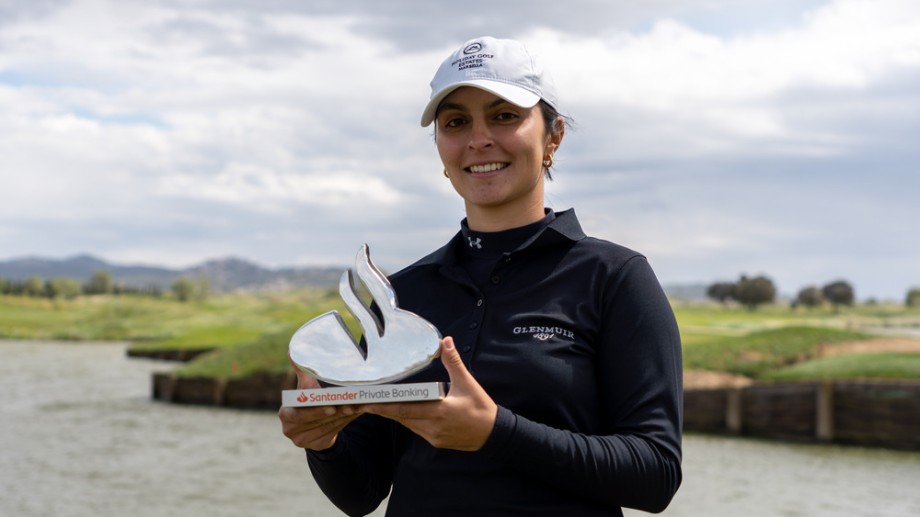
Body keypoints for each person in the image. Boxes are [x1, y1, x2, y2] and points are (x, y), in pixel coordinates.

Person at [279, 36, 683, 516]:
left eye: (504, 116)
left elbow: (655, 474)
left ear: (553, 137)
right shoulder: (400, 294)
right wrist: (323, 441)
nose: (478, 139)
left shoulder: (614, 277)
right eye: (456, 122)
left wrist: (497, 432)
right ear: (440, 149)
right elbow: (360, 493)